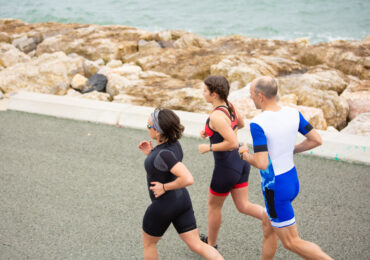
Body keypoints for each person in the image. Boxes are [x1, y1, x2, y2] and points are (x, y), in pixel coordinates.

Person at [239, 76, 333, 260]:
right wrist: (292, 149)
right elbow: (316, 139)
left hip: (275, 190)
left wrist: (244, 154)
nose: (250, 98)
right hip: (291, 180)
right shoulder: (293, 113)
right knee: (268, 226)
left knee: (292, 242)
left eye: (251, 94)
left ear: (260, 96)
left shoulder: (258, 124)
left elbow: (262, 163)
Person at [138, 108, 224, 260]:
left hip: (164, 205)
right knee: (197, 244)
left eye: (149, 125)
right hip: (181, 201)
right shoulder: (173, 145)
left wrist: (164, 187)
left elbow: (188, 178)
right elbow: (165, 166)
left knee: (149, 244)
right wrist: (151, 154)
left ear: (158, 132)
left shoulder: (163, 154)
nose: (147, 128)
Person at [198, 75, 265, 249]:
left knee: (214, 207)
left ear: (214, 94)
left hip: (226, 168)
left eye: (205, 90)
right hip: (240, 162)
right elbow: (240, 124)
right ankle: (271, 217)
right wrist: (211, 133)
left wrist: (209, 147)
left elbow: (232, 142)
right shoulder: (230, 106)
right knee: (244, 205)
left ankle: (211, 245)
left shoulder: (216, 117)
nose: (202, 93)